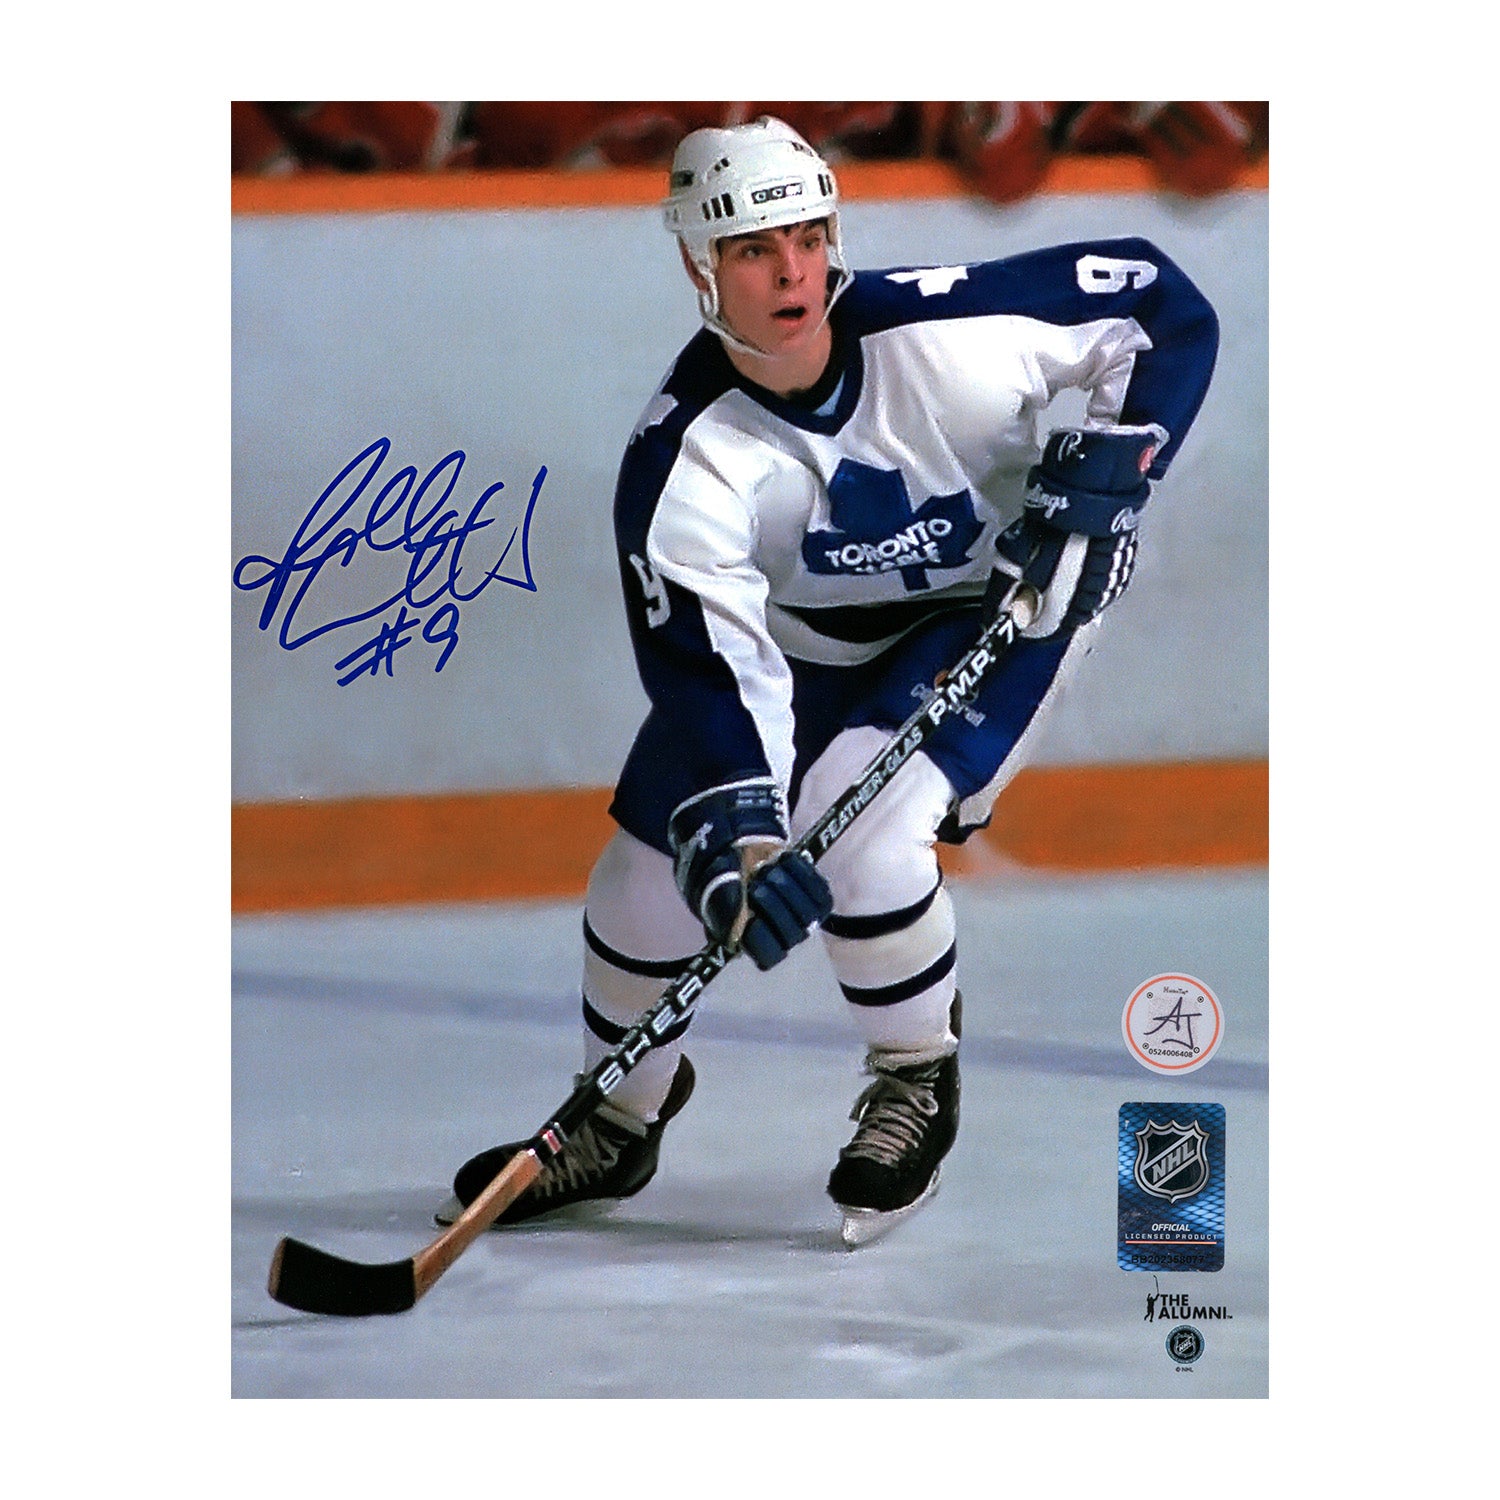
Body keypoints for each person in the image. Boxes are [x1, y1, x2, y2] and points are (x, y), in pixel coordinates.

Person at [440, 116, 1218, 1246]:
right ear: (699, 267)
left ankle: (915, 1071)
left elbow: (1157, 298)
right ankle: (617, 1119)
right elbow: (714, 665)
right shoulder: (685, 459)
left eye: (807, 239)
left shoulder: (945, 331)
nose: (792, 272)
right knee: (638, 884)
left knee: (864, 839)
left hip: (997, 604)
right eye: (755, 250)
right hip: (810, 641)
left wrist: (1117, 461)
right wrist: (744, 836)